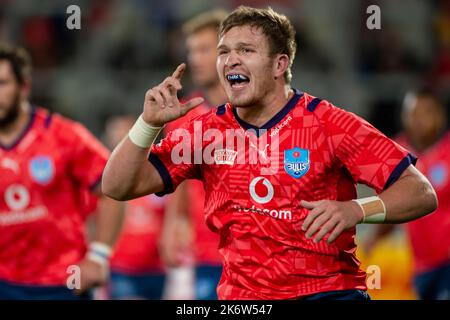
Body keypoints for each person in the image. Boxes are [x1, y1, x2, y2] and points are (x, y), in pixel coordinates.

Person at [102, 6, 437, 300]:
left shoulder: (329, 124)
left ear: (280, 64)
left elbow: (420, 192)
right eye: (224, 51)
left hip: (327, 293)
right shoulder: (204, 133)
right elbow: (116, 186)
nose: (231, 59)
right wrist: (147, 124)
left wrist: (357, 209)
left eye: (245, 50)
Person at [0, 43, 124, 300]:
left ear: (24, 87)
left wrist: (99, 256)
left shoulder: (63, 135)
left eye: (2, 83)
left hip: (63, 284)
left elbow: (115, 189)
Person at [160, 9, 228, 300]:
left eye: (204, 49)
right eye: (191, 51)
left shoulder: (259, 114)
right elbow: (178, 180)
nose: (195, 59)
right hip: (203, 251)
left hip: (255, 251)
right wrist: (170, 226)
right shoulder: (181, 117)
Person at [366, 88, 450, 300]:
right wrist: (374, 239)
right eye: (414, 113)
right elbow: (396, 205)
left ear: (440, 116)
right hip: (420, 266)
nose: (420, 119)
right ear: (404, 116)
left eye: (427, 112)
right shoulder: (396, 151)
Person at [103, 115, 168, 300]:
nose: (119, 137)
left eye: (125, 133)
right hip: (121, 268)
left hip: (155, 268)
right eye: (116, 134)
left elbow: (171, 214)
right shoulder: (105, 179)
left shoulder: (157, 172)